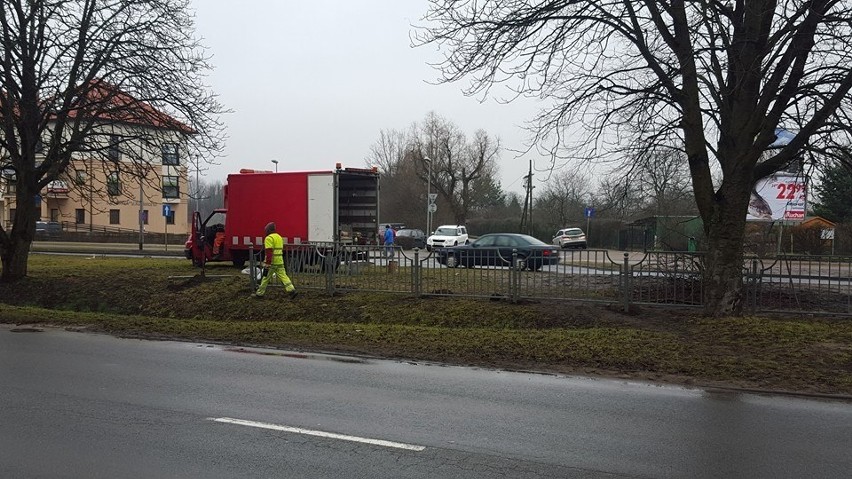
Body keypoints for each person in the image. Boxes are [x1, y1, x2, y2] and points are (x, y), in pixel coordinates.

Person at [254, 222, 297, 299]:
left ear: (268, 230)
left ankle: (259, 293)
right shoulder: (279, 237)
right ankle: (292, 290)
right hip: (280, 261)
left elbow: (269, 252)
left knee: (265, 278)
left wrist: (267, 263)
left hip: (272, 262)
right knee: (284, 276)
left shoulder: (269, 238)